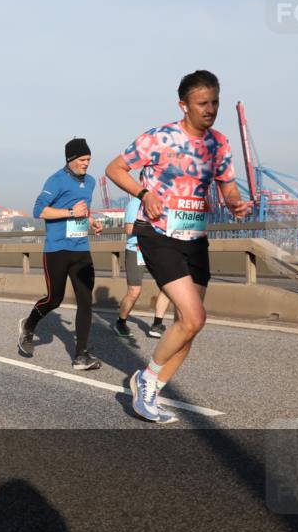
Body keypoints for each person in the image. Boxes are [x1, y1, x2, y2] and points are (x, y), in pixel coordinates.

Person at [105, 70, 251, 424]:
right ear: (183, 105)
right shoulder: (159, 138)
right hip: (158, 235)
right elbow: (115, 168)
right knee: (195, 316)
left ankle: (152, 389)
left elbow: (227, 185)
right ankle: (147, 378)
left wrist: (234, 203)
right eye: (203, 103)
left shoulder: (219, 143)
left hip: (195, 240)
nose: (211, 109)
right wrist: (144, 193)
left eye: (215, 102)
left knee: (188, 325)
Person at [17, 138, 104, 372]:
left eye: (89, 160)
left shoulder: (91, 182)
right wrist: (69, 212)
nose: (87, 164)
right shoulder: (56, 180)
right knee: (54, 299)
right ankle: (29, 325)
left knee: (86, 301)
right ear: (71, 160)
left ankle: (80, 356)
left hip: (81, 250)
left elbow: (82, 210)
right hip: (56, 250)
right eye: (83, 160)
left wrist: (92, 220)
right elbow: (39, 210)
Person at [113, 196, 172, 338]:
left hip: (157, 250)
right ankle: (121, 322)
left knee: (168, 287)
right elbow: (128, 229)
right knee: (134, 292)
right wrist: (153, 228)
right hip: (137, 250)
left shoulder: (163, 201)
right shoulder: (135, 203)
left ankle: (157, 325)